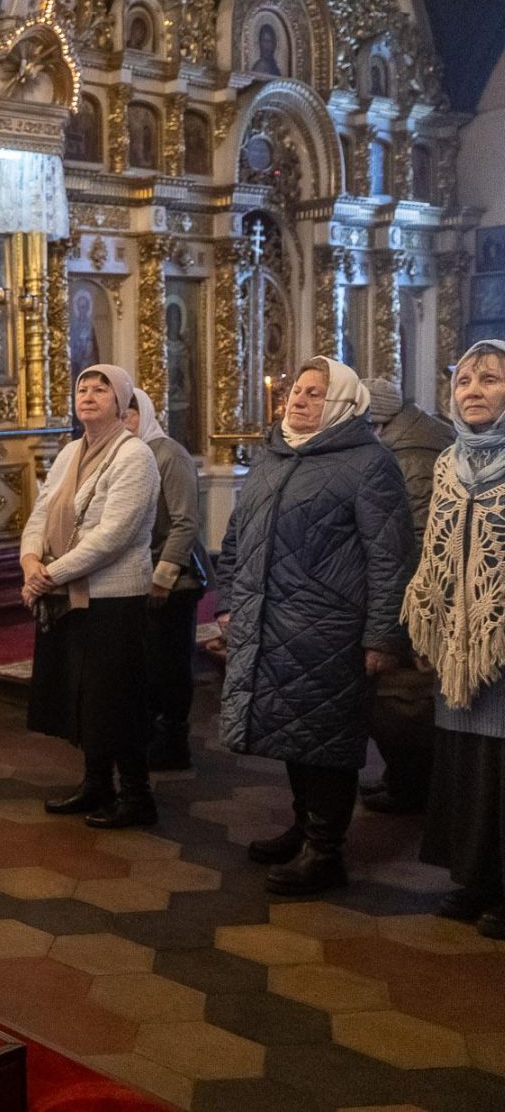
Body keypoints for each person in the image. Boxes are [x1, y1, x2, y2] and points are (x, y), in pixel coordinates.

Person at [217, 358, 412, 895]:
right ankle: (305, 828)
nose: (298, 400)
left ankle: (325, 852)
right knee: (293, 734)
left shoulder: (370, 463)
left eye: (314, 393)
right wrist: (228, 602)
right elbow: (236, 536)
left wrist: (382, 635)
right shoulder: (274, 455)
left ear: (344, 403)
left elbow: (390, 558)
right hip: (271, 622)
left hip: (331, 628)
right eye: (296, 391)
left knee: (327, 741)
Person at [21, 365, 162, 828]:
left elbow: (113, 537)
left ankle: (137, 797)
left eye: (101, 389)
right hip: (70, 595)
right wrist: (30, 561)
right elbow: (41, 512)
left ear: (121, 403)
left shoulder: (135, 456)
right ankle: (96, 784)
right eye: (82, 388)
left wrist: (49, 576)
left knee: (117, 698)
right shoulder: (69, 452)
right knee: (86, 697)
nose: (88, 394)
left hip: (113, 598)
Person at [405, 341, 505, 935]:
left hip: (500, 642)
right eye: (464, 380)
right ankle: (475, 878)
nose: (473, 391)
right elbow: (435, 547)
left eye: (489, 379)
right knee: (469, 764)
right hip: (459, 646)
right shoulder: (448, 463)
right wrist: (431, 617)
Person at [362, 377, 455, 813]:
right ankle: (402, 778)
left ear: (376, 422)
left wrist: (408, 615)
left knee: (404, 698)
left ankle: (412, 786)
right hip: (417, 591)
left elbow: (415, 538)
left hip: (418, 596)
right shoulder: (409, 440)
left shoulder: (411, 455)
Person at [127, 389, 206, 771]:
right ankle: (150, 735)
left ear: (143, 414)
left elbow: (185, 522)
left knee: (170, 664)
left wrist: (163, 578)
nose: (122, 423)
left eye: (128, 415)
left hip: (174, 582)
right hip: (139, 574)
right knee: (147, 664)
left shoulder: (168, 454)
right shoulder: (127, 454)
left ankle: (174, 741)